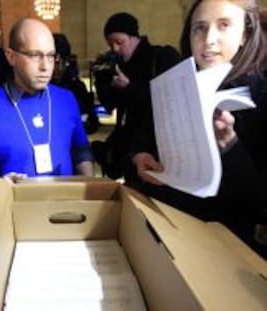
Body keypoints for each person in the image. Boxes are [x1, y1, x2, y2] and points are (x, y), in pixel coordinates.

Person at [126, 0, 267, 258]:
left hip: (227, 249)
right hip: (166, 231)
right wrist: (140, 157)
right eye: (199, 28)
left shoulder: (262, 97)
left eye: (224, 25)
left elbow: (261, 201)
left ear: (245, 33)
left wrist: (230, 146)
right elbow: (140, 138)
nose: (208, 39)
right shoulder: (174, 84)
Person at [0, 18, 94, 182]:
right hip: (15, 205)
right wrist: (0, 184)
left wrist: (87, 186)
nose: (45, 66)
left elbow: (80, 149)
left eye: (50, 56)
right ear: (11, 57)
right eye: (35, 55)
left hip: (66, 203)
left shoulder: (66, 99)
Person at [91, 12, 181, 179]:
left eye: (119, 42)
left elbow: (172, 102)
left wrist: (129, 87)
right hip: (131, 150)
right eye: (111, 44)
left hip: (160, 148)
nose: (115, 49)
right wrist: (101, 79)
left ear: (134, 37)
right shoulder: (119, 66)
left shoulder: (162, 57)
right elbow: (110, 106)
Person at [51, 33, 100, 135]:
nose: (57, 67)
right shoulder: (36, 88)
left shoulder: (76, 87)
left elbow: (93, 123)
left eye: (60, 61)